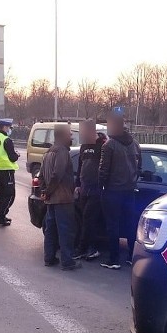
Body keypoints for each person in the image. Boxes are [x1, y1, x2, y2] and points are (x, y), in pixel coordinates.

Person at [98, 112, 141, 269]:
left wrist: (101, 187)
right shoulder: (134, 143)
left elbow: (103, 170)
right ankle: (131, 256)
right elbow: (139, 166)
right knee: (130, 224)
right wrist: (133, 180)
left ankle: (114, 259)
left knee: (112, 225)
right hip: (130, 190)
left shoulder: (109, 145)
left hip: (113, 191)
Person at [41, 124, 80, 271]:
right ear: (62, 136)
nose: (71, 137)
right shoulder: (62, 152)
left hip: (51, 200)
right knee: (66, 231)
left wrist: (45, 191)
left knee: (51, 230)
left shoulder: (49, 151)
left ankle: (49, 258)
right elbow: (57, 174)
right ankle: (68, 261)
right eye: (69, 134)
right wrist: (49, 191)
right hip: (62, 199)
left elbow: (42, 175)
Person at [74, 121, 105, 261]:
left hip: (96, 189)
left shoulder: (101, 146)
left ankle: (88, 248)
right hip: (84, 189)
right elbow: (80, 167)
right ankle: (88, 248)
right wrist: (77, 185)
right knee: (86, 220)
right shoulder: (83, 147)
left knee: (89, 219)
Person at [0, 118, 19, 226]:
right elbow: (12, 157)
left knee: (0, 194)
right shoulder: (6, 140)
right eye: (9, 127)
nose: (10, 130)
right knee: (9, 194)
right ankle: (1, 216)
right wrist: (17, 155)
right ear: (5, 127)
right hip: (7, 171)